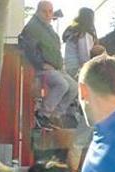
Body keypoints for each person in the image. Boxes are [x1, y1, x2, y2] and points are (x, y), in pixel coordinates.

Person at [18, 1, 77, 129]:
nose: (48, 14)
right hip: (40, 68)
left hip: (56, 67)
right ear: (37, 12)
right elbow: (28, 50)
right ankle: (42, 115)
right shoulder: (32, 28)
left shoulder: (48, 28)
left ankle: (54, 116)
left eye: (50, 11)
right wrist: (41, 64)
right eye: (44, 11)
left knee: (74, 87)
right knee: (62, 84)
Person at [62, 8, 97, 79]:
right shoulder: (83, 34)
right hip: (77, 69)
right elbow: (84, 57)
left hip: (69, 67)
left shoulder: (72, 31)